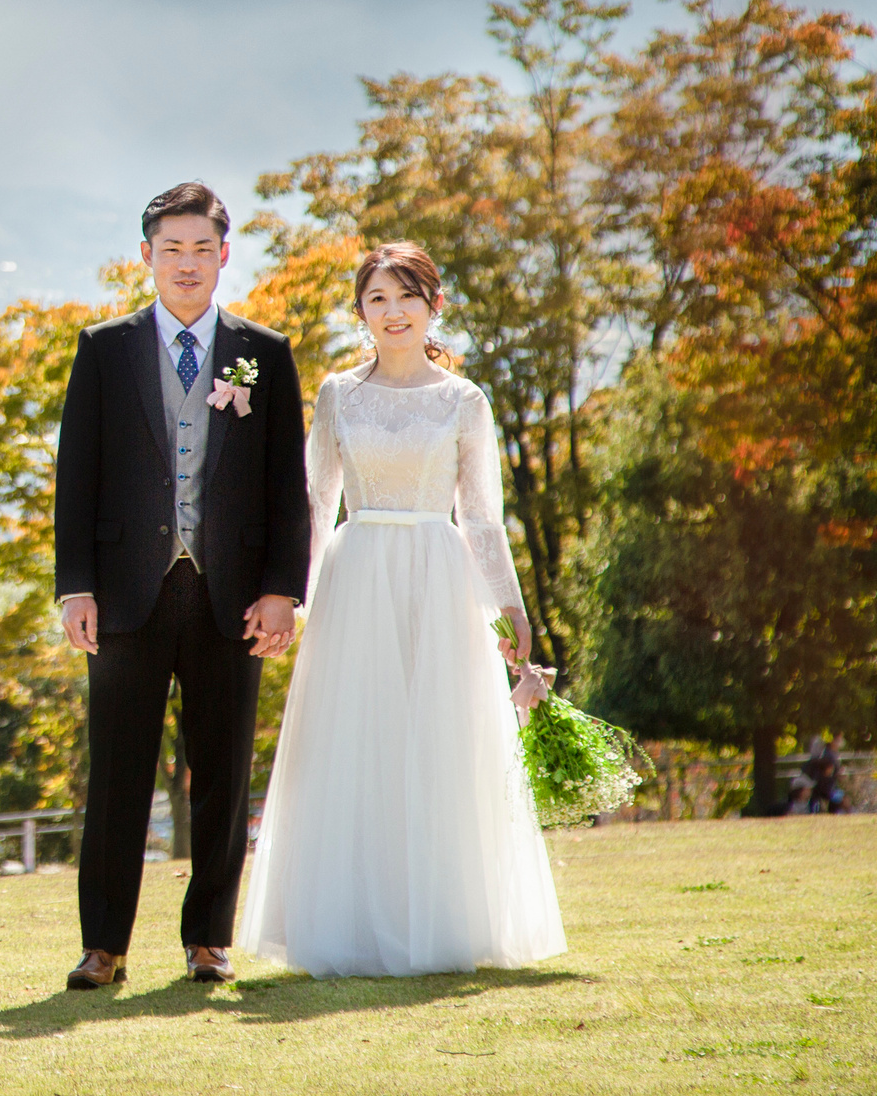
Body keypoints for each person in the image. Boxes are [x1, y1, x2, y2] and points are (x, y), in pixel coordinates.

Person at [236, 243, 567, 977]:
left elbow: (481, 516)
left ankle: (442, 918)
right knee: (355, 744)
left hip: (439, 577)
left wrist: (511, 610)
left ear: (433, 306)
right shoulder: (336, 395)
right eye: (377, 299)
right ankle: (352, 922)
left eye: (405, 297)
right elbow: (316, 508)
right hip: (354, 579)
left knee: (438, 744)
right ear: (361, 312)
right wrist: (296, 601)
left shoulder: (464, 400)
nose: (392, 312)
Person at [53, 182, 310, 988]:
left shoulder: (263, 352)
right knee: (117, 775)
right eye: (173, 249)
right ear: (147, 257)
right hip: (128, 590)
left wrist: (282, 589)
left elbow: (283, 485)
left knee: (224, 771)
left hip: (229, 591)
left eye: (203, 248)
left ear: (224, 254)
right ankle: (105, 945)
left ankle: (209, 937)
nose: (188, 264)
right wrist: (75, 587)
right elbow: (76, 476)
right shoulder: (104, 348)